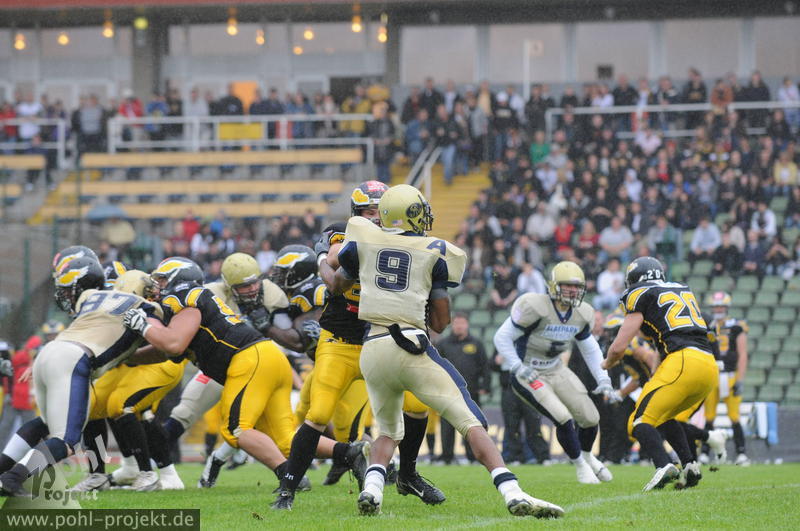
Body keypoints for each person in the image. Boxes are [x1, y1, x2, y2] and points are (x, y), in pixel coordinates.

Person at [329, 184, 563, 518]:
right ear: (411, 214)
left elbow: (338, 284)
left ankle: (372, 489)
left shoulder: (363, 240)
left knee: (387, 430)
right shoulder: (435, 251)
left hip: (373, 348)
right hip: (410, 345)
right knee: (470, 420)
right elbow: (440, 322)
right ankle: (512, 490)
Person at [123, 257, 363, 495]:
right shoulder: (191, 303)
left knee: (236, 429)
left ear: (179, 279)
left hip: (249, 359)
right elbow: (165, 349)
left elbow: (174, 344)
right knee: (286, 441)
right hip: (266, 358)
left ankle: (287, 475)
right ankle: (351, 453)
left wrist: (144, 326)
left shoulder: (185, 297)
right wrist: (128, 357)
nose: (157, 286)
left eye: (162, 280)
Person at [272, 181, 442, 510]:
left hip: (383, 341)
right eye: (368, 212)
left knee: (417, 405)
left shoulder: (403, 238)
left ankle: (408, 474)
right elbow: (336, 257)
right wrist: (327, 254)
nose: (376, 217)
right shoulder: (345, 233)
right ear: (356, 214)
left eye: (381, 211)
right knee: (319, 413)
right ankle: (287, 490)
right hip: (342, 342)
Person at [0, 255, 158, 496]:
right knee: (66, 440)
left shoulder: (91, 297)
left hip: (49, 354)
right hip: (75, 361)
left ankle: (4, 469)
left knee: (47, 422)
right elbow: (169, 344)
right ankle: (12, 478)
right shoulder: (147, 307)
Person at [603, 256, 718, 491]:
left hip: (682, 361)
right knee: (664, 417)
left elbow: (618, 347)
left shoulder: (639, 294)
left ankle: (663, 465)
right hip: (708, 365)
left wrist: (606, 363)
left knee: (638, 421)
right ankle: (690, 465)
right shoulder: (680, 289)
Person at [494, 261, 613, 484]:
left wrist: (603, 378)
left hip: (555, 368)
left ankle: (588, 456)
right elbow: (502, 337)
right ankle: (580, 465)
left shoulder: (583, 312)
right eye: (568, 285)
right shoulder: (535, 306)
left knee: (590, 417)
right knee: (562, 417)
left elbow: (590, 349)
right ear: (554, 286)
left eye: (577, 286)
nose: (573, 291)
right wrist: (517, 365)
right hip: (529, 371)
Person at [702, 292, 750, 466]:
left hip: (730, 375)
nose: (718, 309)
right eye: (715, 306)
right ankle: (704, 453)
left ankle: (741, 453)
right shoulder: (707, 325)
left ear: (727, 307)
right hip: (712, 375)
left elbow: (743, 354)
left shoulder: (736, 326)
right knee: (709, 417)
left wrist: (740, 379)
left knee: (734, 416)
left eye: (721, 306)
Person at [435, 314, 490, 463]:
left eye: (462, 323)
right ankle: (447, 457)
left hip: (471, 392)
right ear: (452, 325)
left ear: (467, 325)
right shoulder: (443, 344)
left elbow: (485, 366)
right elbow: (435, 367)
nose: (459, 326)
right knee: (447, 426)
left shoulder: (476, 344)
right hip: (447, 392)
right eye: (457, 323)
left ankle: (472, 456)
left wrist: (486, 386)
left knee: (472, 424)